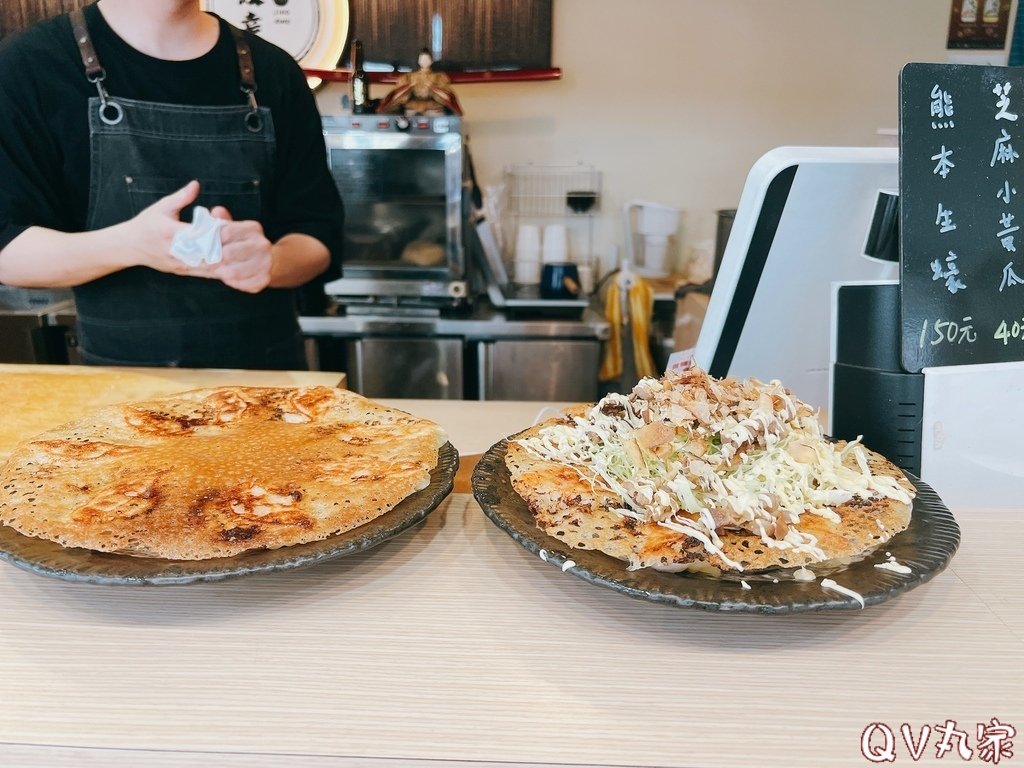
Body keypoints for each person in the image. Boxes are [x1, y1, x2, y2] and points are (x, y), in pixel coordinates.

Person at [0, 0, 344, 370]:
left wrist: (271, 263)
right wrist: (132, 245)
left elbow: (317, 236)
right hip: (120, 386)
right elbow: (8, 250)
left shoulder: (273, 71)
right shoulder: (30, 65)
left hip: (269, 385)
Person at [377, 48, 463, 117]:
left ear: (431, 61)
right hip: (412, 109)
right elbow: (399, 97)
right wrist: (409, 87)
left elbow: (446, 98)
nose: (424, 61)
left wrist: (433, 88)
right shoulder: (409, 77)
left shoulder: (439, 77)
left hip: (433, 109)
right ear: (418, 61)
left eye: (427, 59)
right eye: (422, 59)